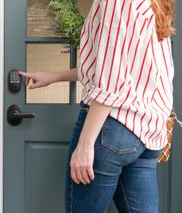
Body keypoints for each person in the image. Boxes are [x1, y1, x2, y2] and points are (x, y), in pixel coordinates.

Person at [19, 0, 175, 212]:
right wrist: (54, 77)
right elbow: (118, 65)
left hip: (112, 129)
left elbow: (109, 81)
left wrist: (85, 145)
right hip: (146, 136)